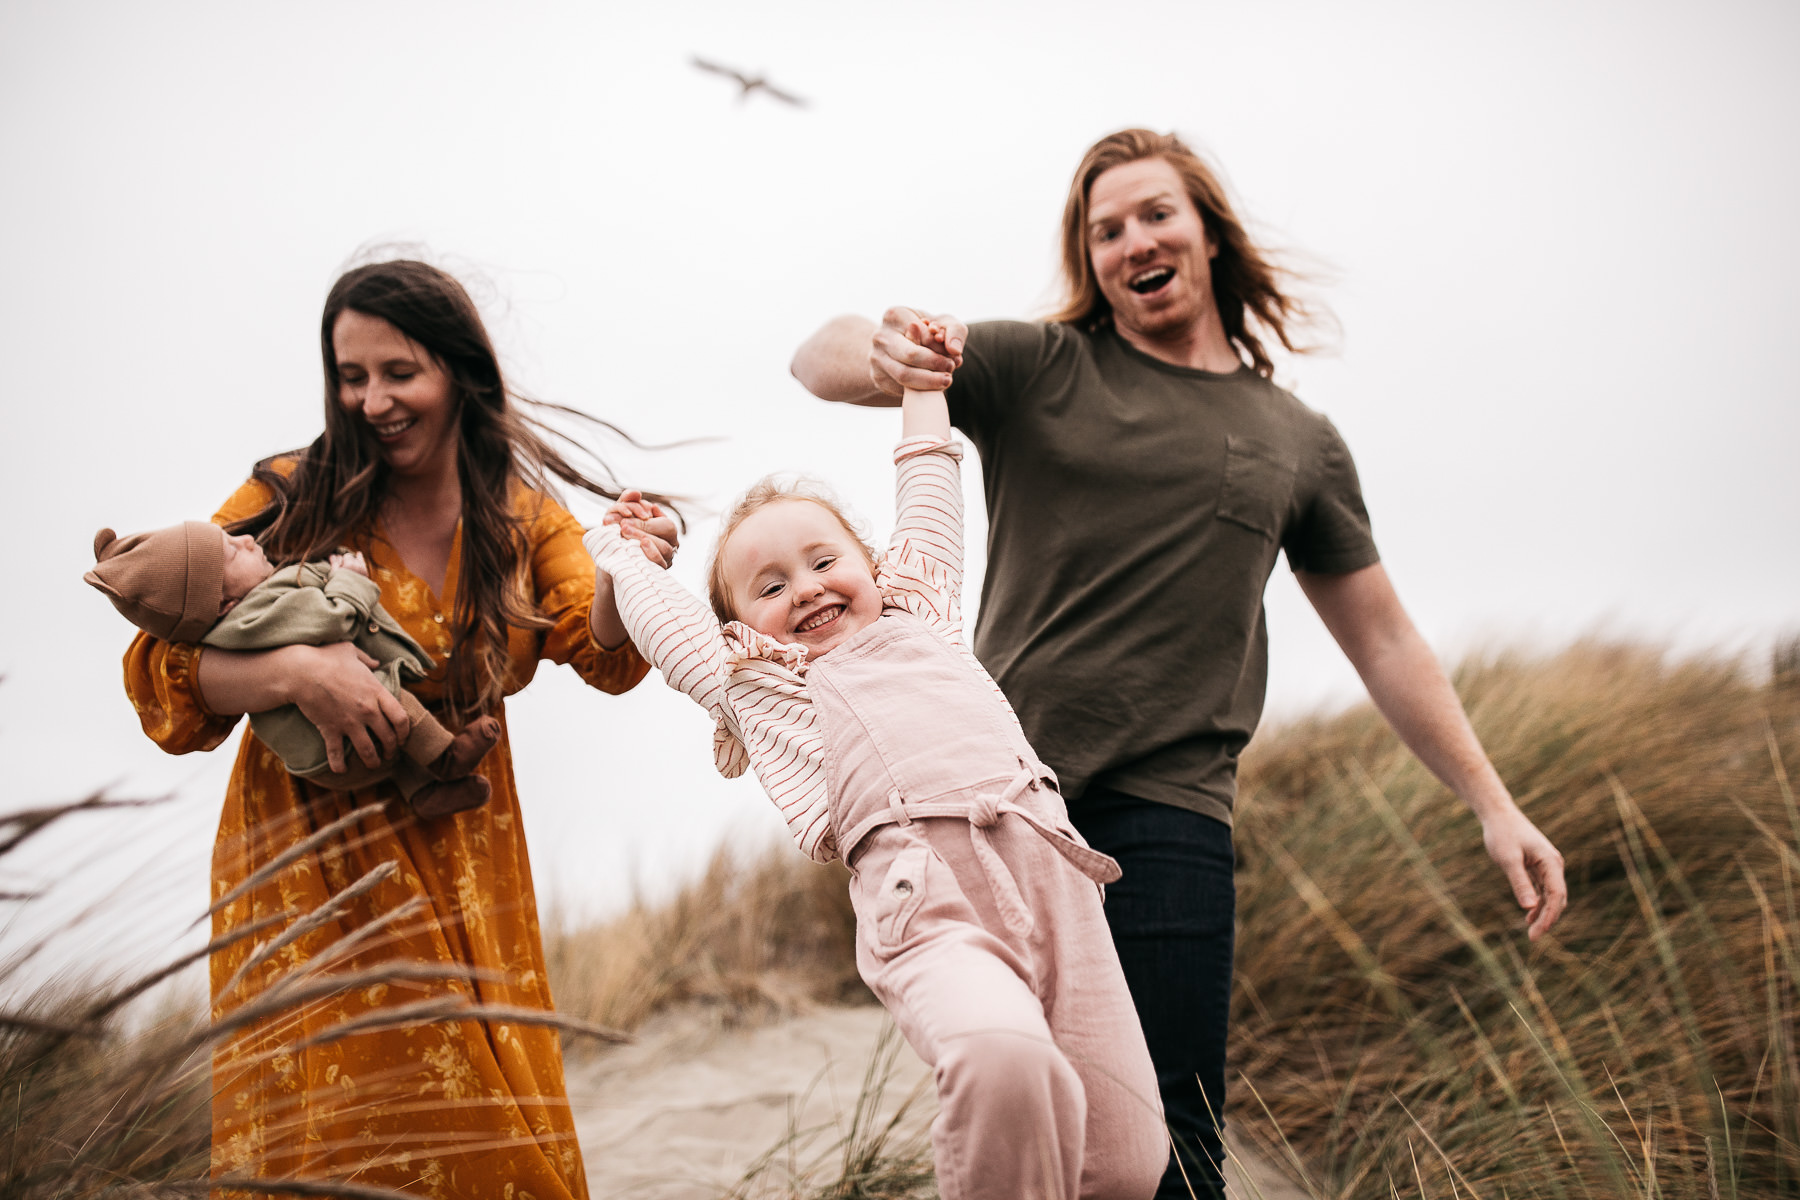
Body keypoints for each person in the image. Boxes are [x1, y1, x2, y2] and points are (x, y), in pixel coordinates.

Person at [790, 128, 1569, 1197]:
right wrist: (882, 351)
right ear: (1090, 259)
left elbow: (1382, 636)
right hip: (1008, 804)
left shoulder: (1296, 438)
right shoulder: (1039, 366)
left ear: (1206, 232)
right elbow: (817, 359)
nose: (1133, 241)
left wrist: (1492, 802)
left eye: (1156, 214)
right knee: (1030, 1107)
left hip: (1172, 811)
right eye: (1104, 229)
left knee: (1169, 1142)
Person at [119, 259, 675, 1197]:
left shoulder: (523, 517)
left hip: (467, 857)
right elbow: (156, 676)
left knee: (489, 1143)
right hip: (306, 862)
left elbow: (606, 652)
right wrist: (296, 669)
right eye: (351, 376)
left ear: (458, 370)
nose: (372, 399)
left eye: (398, 372)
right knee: (340, 1142)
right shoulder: (293, 493)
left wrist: (631, 569)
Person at [587, 345, 1168, 1200]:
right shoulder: (761, 686)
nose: (807, 589)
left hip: (1054, 871)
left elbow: (929, 486)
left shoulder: (923, 609)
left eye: (824, 561)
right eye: (769, 586)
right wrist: (624, 552)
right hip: (922, 890)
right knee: (1000, 1061)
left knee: (1125, 1163)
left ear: (871, 564)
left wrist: (926, 387)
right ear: (742, 627)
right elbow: (665, 621)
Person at [88, 525, 500, 818]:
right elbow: (330, 619)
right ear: (221, 604)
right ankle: (446, 758)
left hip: (329, 762)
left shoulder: (242, 606)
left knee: (382, 717)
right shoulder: (259, 609)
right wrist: (348, 582)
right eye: (233, 550)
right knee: (387, 696)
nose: (248, 539)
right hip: (330, 764)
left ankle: (422, 790)